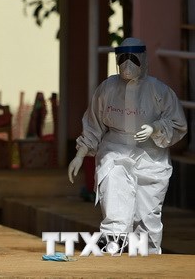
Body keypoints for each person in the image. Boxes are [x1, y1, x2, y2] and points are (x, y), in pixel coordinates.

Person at [68, 37, 187, 254]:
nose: (127, 63)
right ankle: (112, 259)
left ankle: (148, 262)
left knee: (147, 216)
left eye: (132, 57)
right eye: (122, 57)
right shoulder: (107, 89)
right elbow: (93, 125)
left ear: (143, 58)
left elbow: (178, 123)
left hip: (151, 159)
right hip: (114, 154)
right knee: (114, 212)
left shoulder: (159, 91)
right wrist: (80, 153)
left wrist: (156, 128)